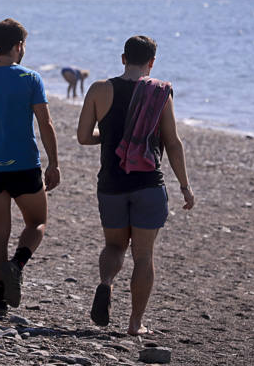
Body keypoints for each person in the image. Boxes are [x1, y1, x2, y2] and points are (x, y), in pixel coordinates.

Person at [76, 35, 195, 337]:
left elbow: (84, 137)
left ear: (122, 58)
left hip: (112, 184)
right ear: (152, 62)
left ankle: (105, 284)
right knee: (143, 256)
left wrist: (111, 137)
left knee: (114, 246)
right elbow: (172, 142)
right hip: (148, 184)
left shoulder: (99, 89)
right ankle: (134, 323)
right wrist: (184, 186)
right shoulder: (159, 94)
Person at [0, 18, 61, 317]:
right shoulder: (30, 79)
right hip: (25, 167)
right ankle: (17, 265)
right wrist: (54, 163)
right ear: (19, 46)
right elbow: (45, 124)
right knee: (36, 224)